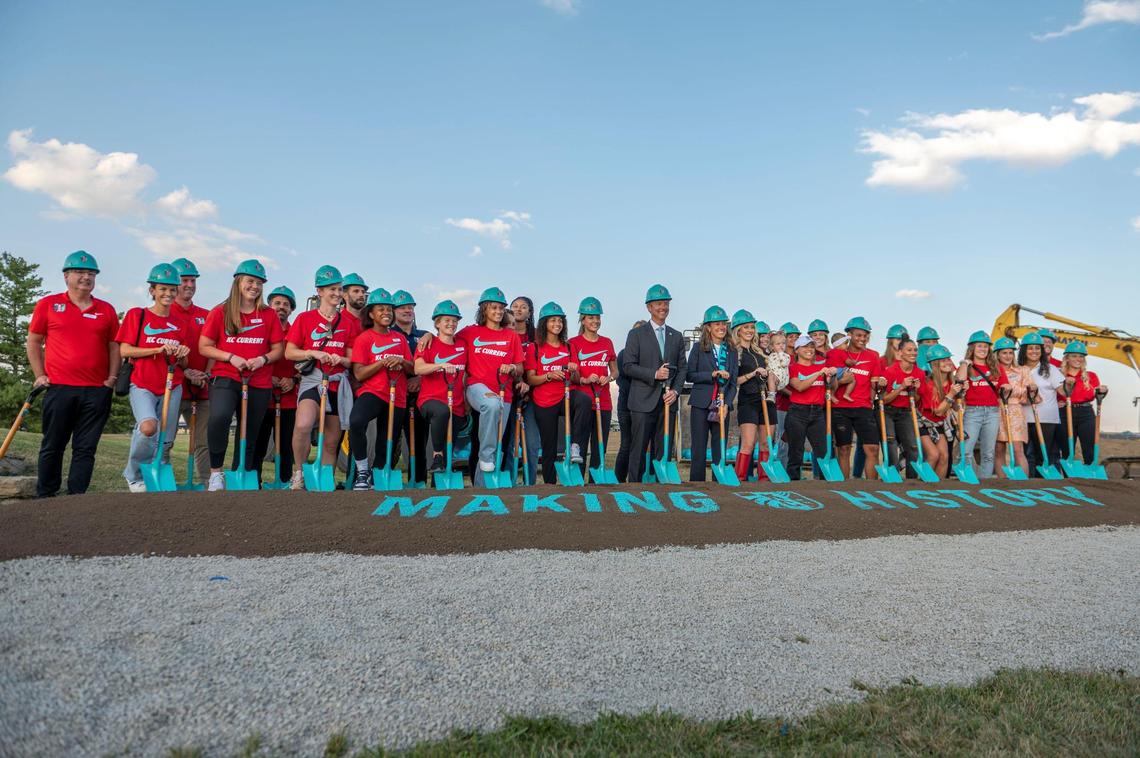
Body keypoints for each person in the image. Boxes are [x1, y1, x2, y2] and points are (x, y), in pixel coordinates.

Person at [27, 252, 120, 498]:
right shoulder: (48, 305)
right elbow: (34, 341)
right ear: (66, 276)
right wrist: (39, 374)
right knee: (52, 445)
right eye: (80, 272)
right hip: (59, 387)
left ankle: (76, 498)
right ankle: (46, 495)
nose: (86, 277)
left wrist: (111, 379)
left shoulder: (106, 310)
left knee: (85, 448)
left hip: (96, 390)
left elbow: (114, 346)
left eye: (91, 273)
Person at [199, 260, 285, 491]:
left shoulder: (268, 315)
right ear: (238, 282)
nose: (254, 286)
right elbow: (204, 346)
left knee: (250, 430)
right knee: (220, 418)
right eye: (250, 281)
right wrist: (230, 357)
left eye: (259, 282)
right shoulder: (220, 311)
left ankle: (241, 471)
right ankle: (216, 473)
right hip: (226, 377)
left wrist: (263, 359)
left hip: (259, 381)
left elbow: (278, 349)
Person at [116, 263, 191, 491]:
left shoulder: (180, 323)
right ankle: (134, 475)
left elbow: (183, 364)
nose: (168, 294)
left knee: (166, 439)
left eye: (172, 289)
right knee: (148, 427)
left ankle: (157, 472)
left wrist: (183, 354)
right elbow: (125, 350)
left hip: (172, 384)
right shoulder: (137, 315)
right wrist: (157, 350)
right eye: (162, 289)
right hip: (143, 383)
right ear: (152, 290)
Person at [284, 265, 360, 490]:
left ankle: (324, 479)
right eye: (331, 289)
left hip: (337, 383)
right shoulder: (305, 318)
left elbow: (351, 357)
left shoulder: (346, 322)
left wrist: (342, 361)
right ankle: (298, 472)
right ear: (319, 291)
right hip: (313, 380)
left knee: (332, 440)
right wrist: (313, 353)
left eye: (339, 289)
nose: (336, 294)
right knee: (303, 425)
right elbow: (290, 352)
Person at [451, 287, 523, 486]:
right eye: (494, 307)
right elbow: (447, 339)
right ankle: (486, 456)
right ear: (484, 309)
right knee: (491, 406)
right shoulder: (470, 332)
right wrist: (428, 337)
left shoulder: (511, 337)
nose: (498, 311)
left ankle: (482, 488)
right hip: (477, 387)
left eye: (501, 308)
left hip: (504, 393)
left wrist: (513, 368)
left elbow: (520, 366)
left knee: (498, 441)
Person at [348, 289, 413, 489]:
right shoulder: (364, 339)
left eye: (389, 309)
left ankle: (377, 475)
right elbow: (359, 373)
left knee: (387, 439)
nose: (386, 312)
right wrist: (382, 362)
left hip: (397, 395)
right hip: (374, 392)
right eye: (381, 309)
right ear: (371, 314)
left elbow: (412, 368)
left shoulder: (399, 339)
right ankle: (362, 471)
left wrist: (401, 361)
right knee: (356, 422)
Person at [622, 285, 687, 484]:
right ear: (649, 307)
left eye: (666, 303)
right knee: (638, 450)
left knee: (664, 450)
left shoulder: (676, 336)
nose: (663, 307)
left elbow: (682, 368)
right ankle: (634, 488)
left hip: (667, 402)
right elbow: (628, 366)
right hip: (642, 402)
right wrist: (654, 374)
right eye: (659, 303)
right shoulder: (636, 335)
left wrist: (676, 391)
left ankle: (662, 491)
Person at [525, 302, 583, 484]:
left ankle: (574, 446)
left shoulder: (569, 347)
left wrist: (574, 371)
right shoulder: (534, 348)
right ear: (544, 323)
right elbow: (531, 379)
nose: (557, 324)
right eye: (552, 320)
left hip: (566, 395)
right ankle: (549, 484)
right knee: (549, 446)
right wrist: (548, 376)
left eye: (560, 320)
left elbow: (576, 378)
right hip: (544, 401)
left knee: (584, 401)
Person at [413, 300, 467, 476]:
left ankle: (441, 492)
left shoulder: (463, 345)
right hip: (431, 401)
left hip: (457, 405)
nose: (451, 324)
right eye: (446, 320)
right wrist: (440, 365)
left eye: (454, 320)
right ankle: (436, 455)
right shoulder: (428, 344)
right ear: (437, 323)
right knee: (442, 412)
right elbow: (418, 368)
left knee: (448, 452)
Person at [252, 286, 299, 487]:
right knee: (259, 443)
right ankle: (255, 481)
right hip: (263, 394)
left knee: (286, 444)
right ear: (269, 306)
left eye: (286, 304)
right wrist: (268, 377)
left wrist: (294, 379)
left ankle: (284, 480)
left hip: (288, 397)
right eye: (277, 303)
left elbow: (304, 362)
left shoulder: (296, 330)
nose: (281, 307)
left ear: (291, 309)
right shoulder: (259, 328)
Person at [826, 317, 883, 480]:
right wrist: (841, 380)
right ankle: (845, 487)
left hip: (864, 408)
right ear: (849, 335)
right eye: (858, 335)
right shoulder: (837, 353)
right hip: (840, 408)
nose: (862, 339)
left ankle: (871, 487)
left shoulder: (873, 356)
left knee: (872, 448)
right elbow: (828, 383)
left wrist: (880, 387)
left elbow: (874, 385)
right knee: (843, 449)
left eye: (865, 336)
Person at [171, 257, 212, 482]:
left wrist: (205, 373)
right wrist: (185, 372)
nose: (189, 285)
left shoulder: (206, 315)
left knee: (203, 440)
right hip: (175, 385)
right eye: (184, 280)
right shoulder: (165, 313)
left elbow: (213, 347)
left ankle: (206, 481)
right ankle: (162, 479)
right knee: (166, 437)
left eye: (193, 280)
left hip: (202, 387)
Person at [686, 306, 738, 482]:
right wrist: (712, 375)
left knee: (720, 445)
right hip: (701, 403)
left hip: (722, 404)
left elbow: (733, 383)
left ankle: (719, 483)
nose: (721, 327)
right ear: (708, 327)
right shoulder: (698, 348)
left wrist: (727, 404)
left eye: (724, 323)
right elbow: (690, 375)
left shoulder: (731, 350)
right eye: (717, 323)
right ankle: (697, 484)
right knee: (699, 446)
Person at [568, 297, 617, 478]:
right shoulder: (573, 342)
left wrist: (608, 377)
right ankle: (578, 480)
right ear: (582, 319)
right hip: (583, 401)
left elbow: (615, 371)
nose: (595, 321)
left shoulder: (607, 342)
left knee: (600, 445)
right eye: (590, 317)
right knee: (579, 443)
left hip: (603, 401)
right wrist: (584, 379)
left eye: (597, 317)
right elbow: (572, 375)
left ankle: (596, 481)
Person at [954, 331, 1009, 479]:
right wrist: (965, 362)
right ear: (972, 347)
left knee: (989, 452)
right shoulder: (967, 366)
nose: (983, 349)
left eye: (985, 346)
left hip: (992, 412)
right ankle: (966, 477)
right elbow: (959, 380)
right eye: (979, 346)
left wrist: (1007, 387)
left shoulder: (996, 367)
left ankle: (984, 481)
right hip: (973, 412)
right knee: (966, 449)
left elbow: (1004, 385)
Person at [783, 335, 836, 481]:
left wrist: (833, 376)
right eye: (805, 346)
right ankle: (793, 482)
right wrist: (818, 373)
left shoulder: (820, 367)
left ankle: (825, 482)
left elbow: (832, 388)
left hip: (817, 413)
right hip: (797, 412)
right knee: (796, 451)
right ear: (797, 350)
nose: (809, 349)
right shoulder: (793, 368)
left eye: (812, 346)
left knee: (822, 450)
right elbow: (799, 387)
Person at [391, 289, 428, 485]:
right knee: (391, 436)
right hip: (394, 394)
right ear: (393, 311)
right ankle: (386, 476)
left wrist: (420, 379)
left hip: (419, 394)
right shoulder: (388, 334)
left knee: (419, 439)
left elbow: (431, 362)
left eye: (410, 307)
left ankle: (419, 480)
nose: (407, 311)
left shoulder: (423, 336)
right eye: (402, 307)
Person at [732, 310, 773, 481]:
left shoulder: (761, 352)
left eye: (752, 327)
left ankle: (763, 478)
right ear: (738, 330)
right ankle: (739, 478)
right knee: (748, 444)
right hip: (748, 400)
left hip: (767, 400)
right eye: (746, 327)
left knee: (766, 444)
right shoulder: (734, 352)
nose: (750, 330)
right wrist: (752, 374)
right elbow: (734, 381)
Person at [1018, 331, 1063, 476]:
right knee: (1027, 455)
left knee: (1042, 456)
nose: (1034, 351)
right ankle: (1029, 487)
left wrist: (1069, 384)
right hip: (1022, 418)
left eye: (1037, 348)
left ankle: (1043, 487)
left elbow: (1064, 391)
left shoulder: (1050, 369)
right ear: (1024, 350)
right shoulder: (1017, 369)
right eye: (1030, 348)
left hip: (1046, 419)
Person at [881, 339, 927, 479]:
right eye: (909, 350)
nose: (913, 353)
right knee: (890, 442)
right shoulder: (890, 371)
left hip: (906, 412)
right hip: (888, 410)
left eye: (915, 350)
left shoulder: (919, 373)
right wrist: (901, 387)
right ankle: (893, 476)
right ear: (900, 353)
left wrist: (917, 390)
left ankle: (911, 480)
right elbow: (884, 399)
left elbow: (917, 400)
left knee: (913, 447)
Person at [507, 295, 540, 483]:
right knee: (510, 442)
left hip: (534, 394)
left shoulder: (537, 335)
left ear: (530, 312)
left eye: (523, 307)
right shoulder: (504, 333)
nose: (519, 309)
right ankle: (509, 482)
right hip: (510, 393)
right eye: (515, 306)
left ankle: (531, 483)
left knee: (532, 443)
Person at [916, 345, 963, 478]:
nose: (947, 362)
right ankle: (922, 485)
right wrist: (951, 394)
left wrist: (961, 394)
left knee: (944, 457)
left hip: (939, 423)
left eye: (948, 359)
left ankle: (938, 488)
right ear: (934, 364)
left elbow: (954, 408)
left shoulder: (950, 382)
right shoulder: (928, 383)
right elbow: (937, 411)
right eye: (942, 360)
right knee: (933, 455)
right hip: (923, 423)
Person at [1059, 341, 1108, 465]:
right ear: (1067, 358)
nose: (1078, 359)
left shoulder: (1091, 376)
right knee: (1066, 448)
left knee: (1089, 447)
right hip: (1065, 412)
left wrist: (1102, 391)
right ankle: (1067, 477)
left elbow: (1097, 394)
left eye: (1081, 356)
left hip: (1086, 413)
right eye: (1074, 356)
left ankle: (1090, 476)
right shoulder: (1060, 375)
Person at [613, 319, 646, 483]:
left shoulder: (650, 356)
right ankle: (619, 480)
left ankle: (637, 479)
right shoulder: (623, 354)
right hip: (626, 405)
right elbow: (621, 380)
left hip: (646, 406)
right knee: (626, 444)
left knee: (641, 445)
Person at [993, 337, 1030, 479]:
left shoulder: (1022, 371)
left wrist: (1011, 390)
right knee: (999, 449)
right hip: (996, 410)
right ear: (997, 354)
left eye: (1010, 353)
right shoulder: (993, 372)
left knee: (1017, 449)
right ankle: (1002, 481)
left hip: (1015, 411)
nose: (1008, 356)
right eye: (1004, 353)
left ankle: (1023, 482)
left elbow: (1029, 393)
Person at [773, 322, 800, 469]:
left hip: (799, 406)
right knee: (782, 440)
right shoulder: (778, 357)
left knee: (796, 441)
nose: (793, 339)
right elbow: (778, 384)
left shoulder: (800, 355)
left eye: (796, 337)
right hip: (783, 405)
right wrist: (794, 395)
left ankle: (793, 472)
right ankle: (780, 470)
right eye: (791, 337)